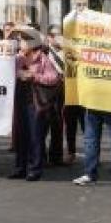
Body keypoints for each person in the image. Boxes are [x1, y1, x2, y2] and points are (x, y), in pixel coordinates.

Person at [7, 28, 60, 182]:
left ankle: (34, 169)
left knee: (35, 136)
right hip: (19, 101)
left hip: (35, 103)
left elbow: (53, 78)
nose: (20, 43)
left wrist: (33, 76)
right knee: (20, 136)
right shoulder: (17, 58)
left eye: (23, 41)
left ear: (32, 42)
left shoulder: (43, 58)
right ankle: (20, 168)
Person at [44, 26, 65, 166]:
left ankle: (56, 156)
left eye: (61, 35)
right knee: (44, 125)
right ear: (49, 37)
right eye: (56, 35)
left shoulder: (67, 52)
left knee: (58, 124)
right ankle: (40, 156)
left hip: (62, 91)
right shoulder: (44, 52)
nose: (59, 38)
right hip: (46, 92)